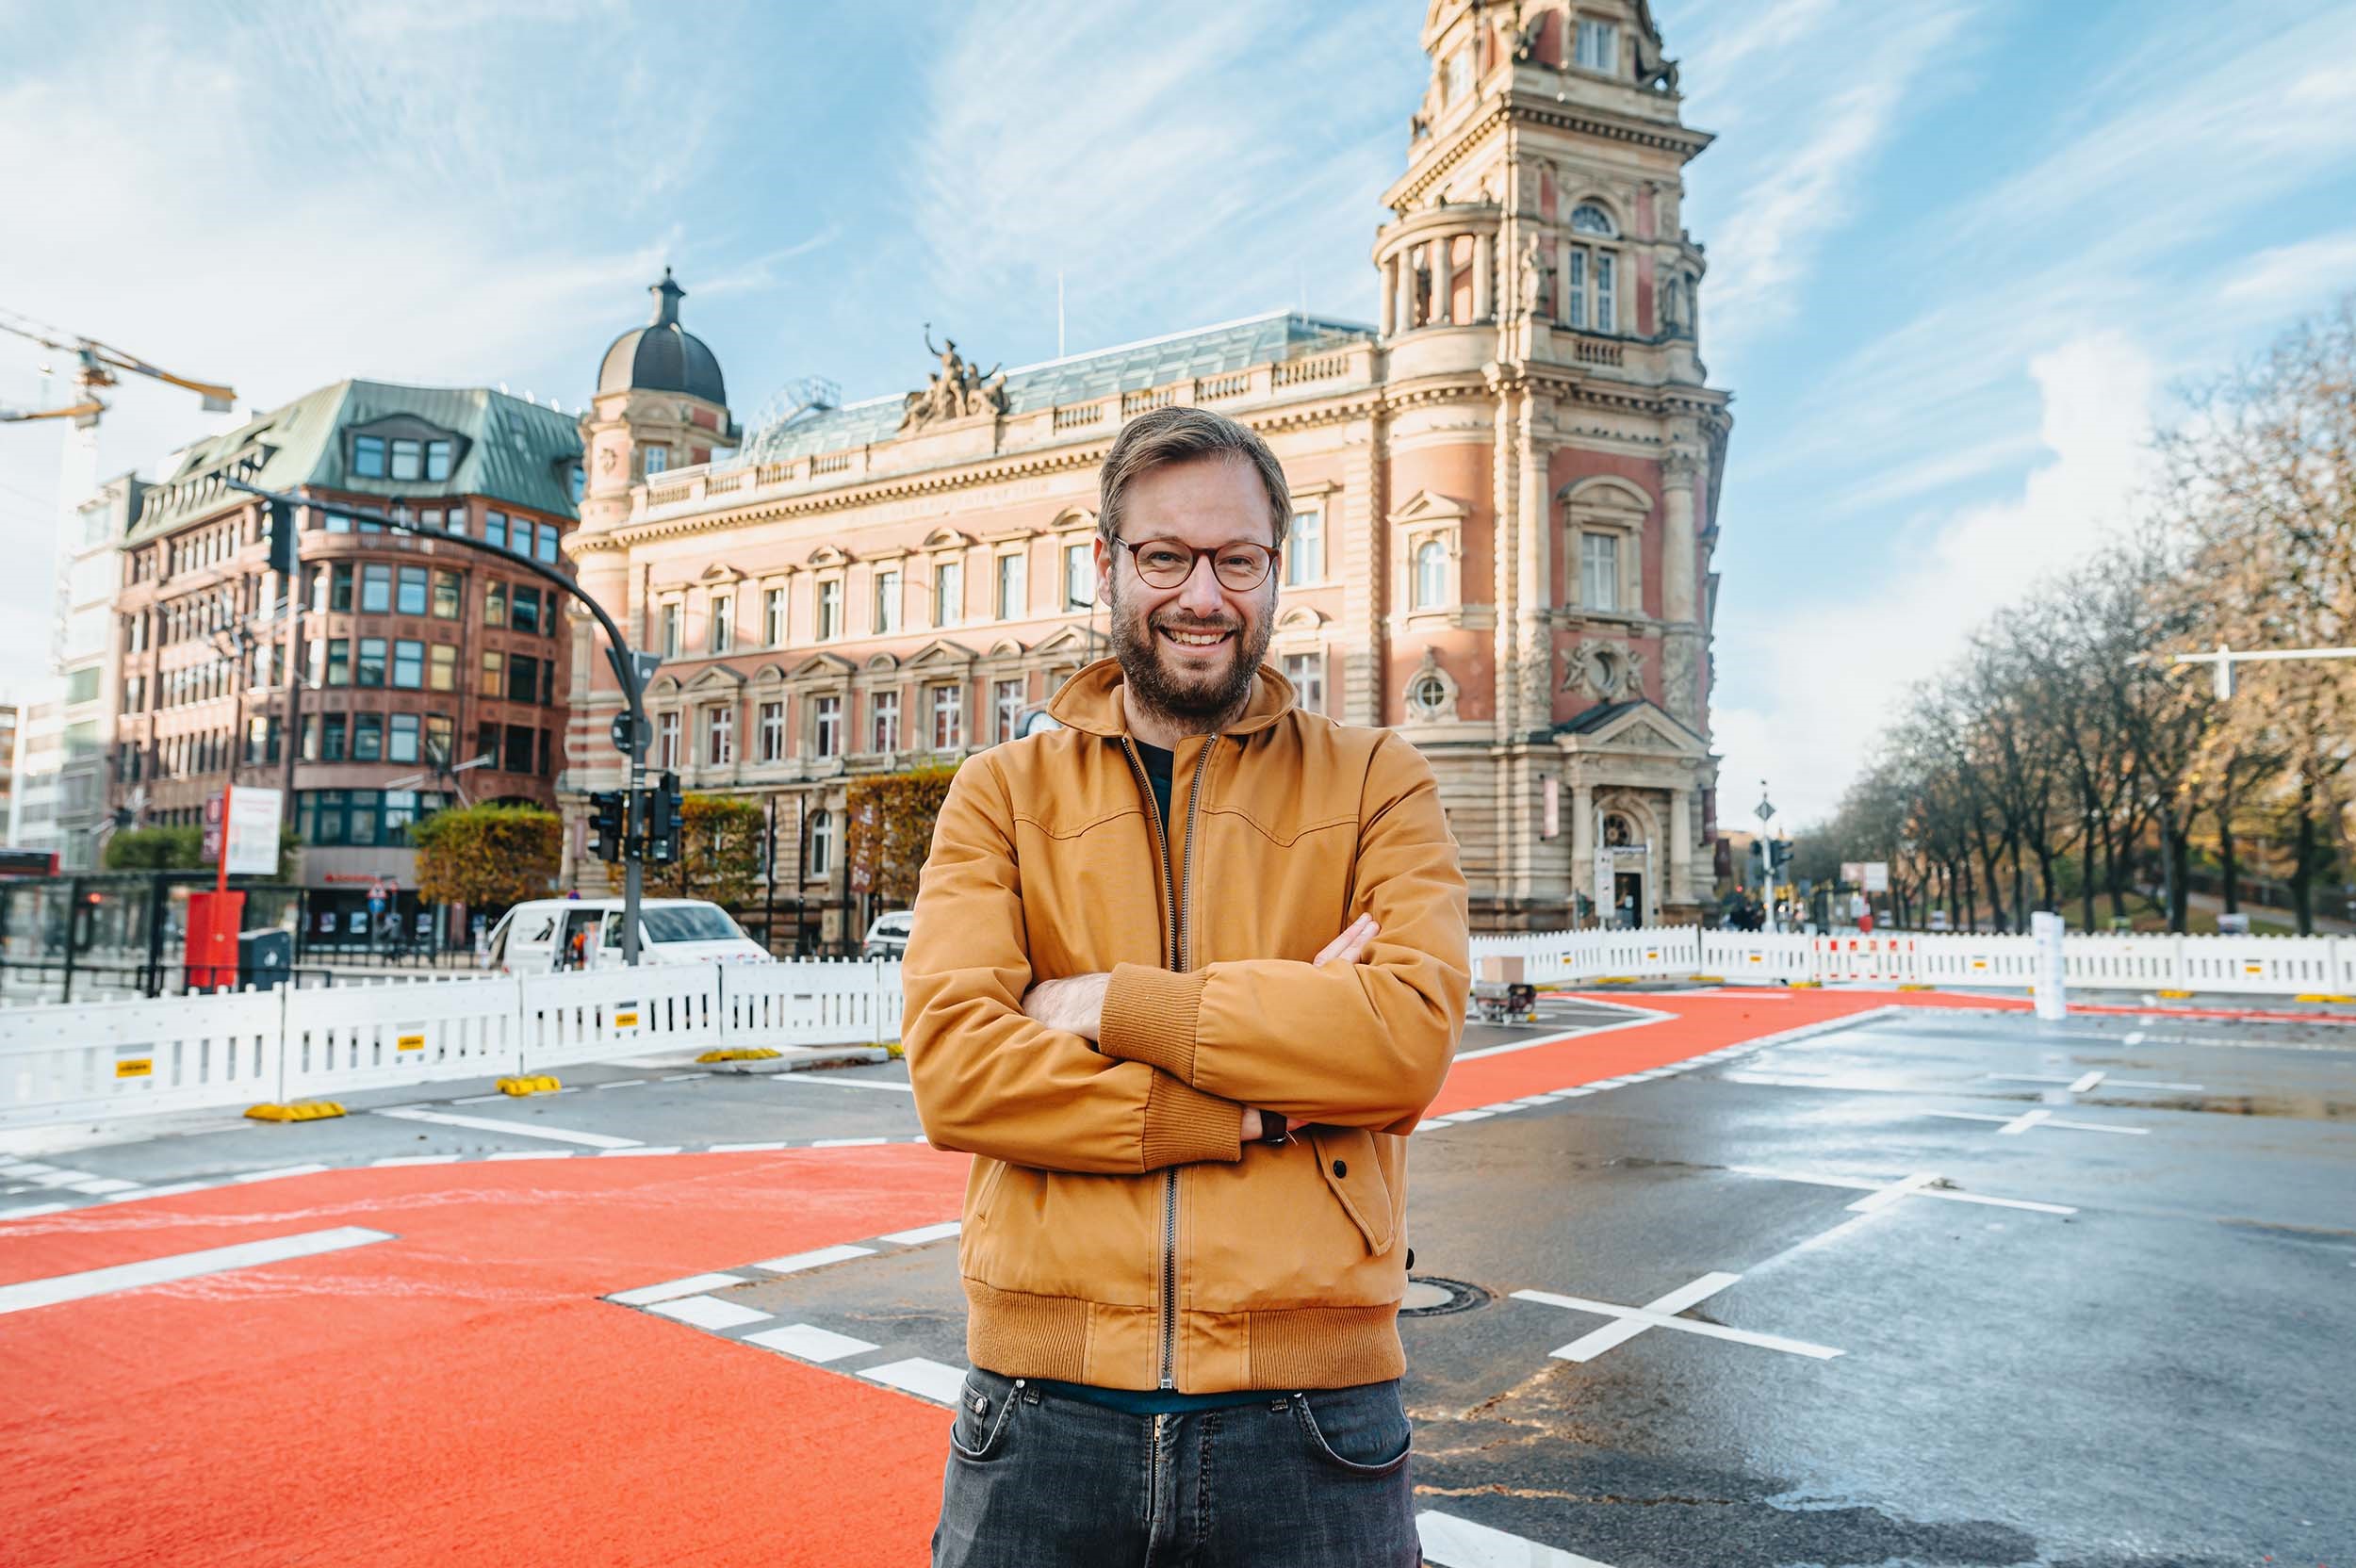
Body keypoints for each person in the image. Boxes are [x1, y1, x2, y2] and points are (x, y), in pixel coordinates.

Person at [902, 405, 1470, 1568]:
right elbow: (958, 1074)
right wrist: (1247, 1102)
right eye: (1164, 556)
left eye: (1238, 560)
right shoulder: (998, 792)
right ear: (1105, 565)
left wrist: (1105, 1001)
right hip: (1038, 1404)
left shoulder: (1377, 780)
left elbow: (1400, 1043)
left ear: (1276, 570)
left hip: (1314, 1415)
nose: (1201, 595)